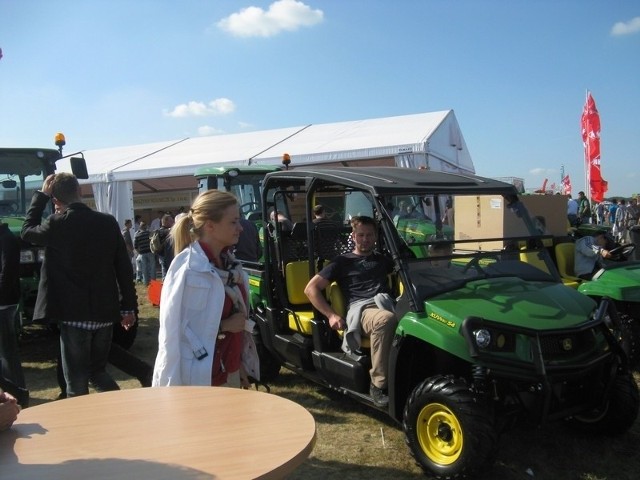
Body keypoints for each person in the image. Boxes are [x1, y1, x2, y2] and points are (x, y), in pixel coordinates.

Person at [21, 173, 137, 398]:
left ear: (56, 200)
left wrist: (41, 196)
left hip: (73, 314)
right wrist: (128, 307)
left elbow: (27, 231)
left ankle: (81, 426)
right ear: (81, 192)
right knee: (97, 372)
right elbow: (123, 268)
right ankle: (122, 407)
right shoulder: (107, 222)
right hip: (104, 312)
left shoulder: (56, 224)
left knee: (76, 383)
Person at [153, 190, 256, 389]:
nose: (241, 228)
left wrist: (239, 366)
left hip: (229, 372)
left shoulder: (230, 266)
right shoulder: (188, 270)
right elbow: (175, 332)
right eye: (233, 222)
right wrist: (224, 326)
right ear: (210, 225)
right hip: (202, 380)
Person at [304, 216, 397, 407]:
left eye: (369, 235)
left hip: (386, 303)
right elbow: (310, 289)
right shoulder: (342, 262)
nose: (365, 239)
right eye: (361, 235)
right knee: (385, 320)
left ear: (376, 236)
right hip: (363, 309)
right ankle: (378, 383)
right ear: (353, 236)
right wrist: (331, 315)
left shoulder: (383, 260)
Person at [0, 222, 28, 407]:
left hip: (3, 303)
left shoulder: (6, 239)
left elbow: (7, 273)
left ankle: (19, 395)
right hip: (4, 301)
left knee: (7, 353)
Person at [154, 214, 175, 279]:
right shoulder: (163, 231)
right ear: (165, 222)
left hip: (164, 255)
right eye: (171, 221)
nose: (173, 222)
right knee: (166, 272)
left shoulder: (161, 231)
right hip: (164, 255)